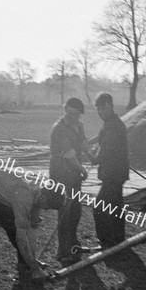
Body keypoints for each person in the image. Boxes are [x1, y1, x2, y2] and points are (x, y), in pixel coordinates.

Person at [0, 168, 64, 290]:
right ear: (43, 198)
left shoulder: (39, 191)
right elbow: (21, 237)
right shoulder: (25, 197)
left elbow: (30, 226)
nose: (45, 210)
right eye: (47, 207)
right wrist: (36, 269)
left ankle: (25, 264)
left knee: (13, 227)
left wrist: (33, 262)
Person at [49, 97, 93, 265]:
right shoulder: (59, 128)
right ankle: (63, 251)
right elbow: (69, 154)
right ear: (65, 110)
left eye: (75, 114)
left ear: (80, 114)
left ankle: (73, 245)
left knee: (75, 210)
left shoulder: (79, 124)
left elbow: (82, 143)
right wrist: (83, 169)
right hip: (61, 174)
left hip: (74, 174)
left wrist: (91, 156)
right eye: (69, 113)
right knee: (65, 212)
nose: (72, 117)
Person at [91, 92, 129, 248]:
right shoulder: (111, 122)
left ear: (111, 107)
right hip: (118, 173)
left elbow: (102, 154)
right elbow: (101, 138)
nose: (101, 112)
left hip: (112, 174)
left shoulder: (112, 125)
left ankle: (106, 241)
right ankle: (118, 238)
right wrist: (88, 142)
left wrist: (89, 154)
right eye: (99, 109)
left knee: (99, 206)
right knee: (116, 206)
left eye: (104, 108)